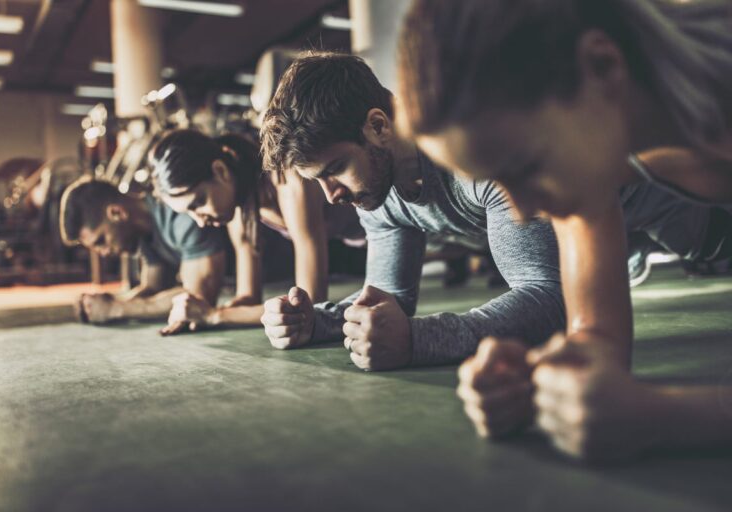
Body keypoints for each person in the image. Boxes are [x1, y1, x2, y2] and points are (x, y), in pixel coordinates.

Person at [397, 0, 732, 460]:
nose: (520, 211)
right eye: (498, 182)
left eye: (525, 167)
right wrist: (549, 383)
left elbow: (659, 416)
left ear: (602, 66)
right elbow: (597, 340)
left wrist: (666, 416)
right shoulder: (592, 158)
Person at [257, 51, 722, 373]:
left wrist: (417, 341)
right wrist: (315, 321)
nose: (331, 195)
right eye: (317, 179)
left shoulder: (476, 146)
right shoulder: (374, 188)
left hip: (696, 212)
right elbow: (391, 300)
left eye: (335, 168)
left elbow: (548, 299)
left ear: (378, 126)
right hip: (604, 233)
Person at [148, 130, 366, 335]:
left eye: (198, 202)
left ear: (220, 171)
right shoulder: (241, 210)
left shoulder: (287, 179)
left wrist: (214, 315)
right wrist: (201, 311)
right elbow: (248, 297)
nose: (200, 221)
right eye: (189, 213)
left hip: (385, 227)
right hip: (360, 238)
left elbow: (310, 303)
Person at [59, 177, 225, 325]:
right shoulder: (144, 233)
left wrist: (115, 309)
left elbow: (198, 299)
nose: (103, 253)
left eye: (101, 241)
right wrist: (107, 302)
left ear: (117, 213)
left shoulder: (178, 212)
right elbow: (154, 287)